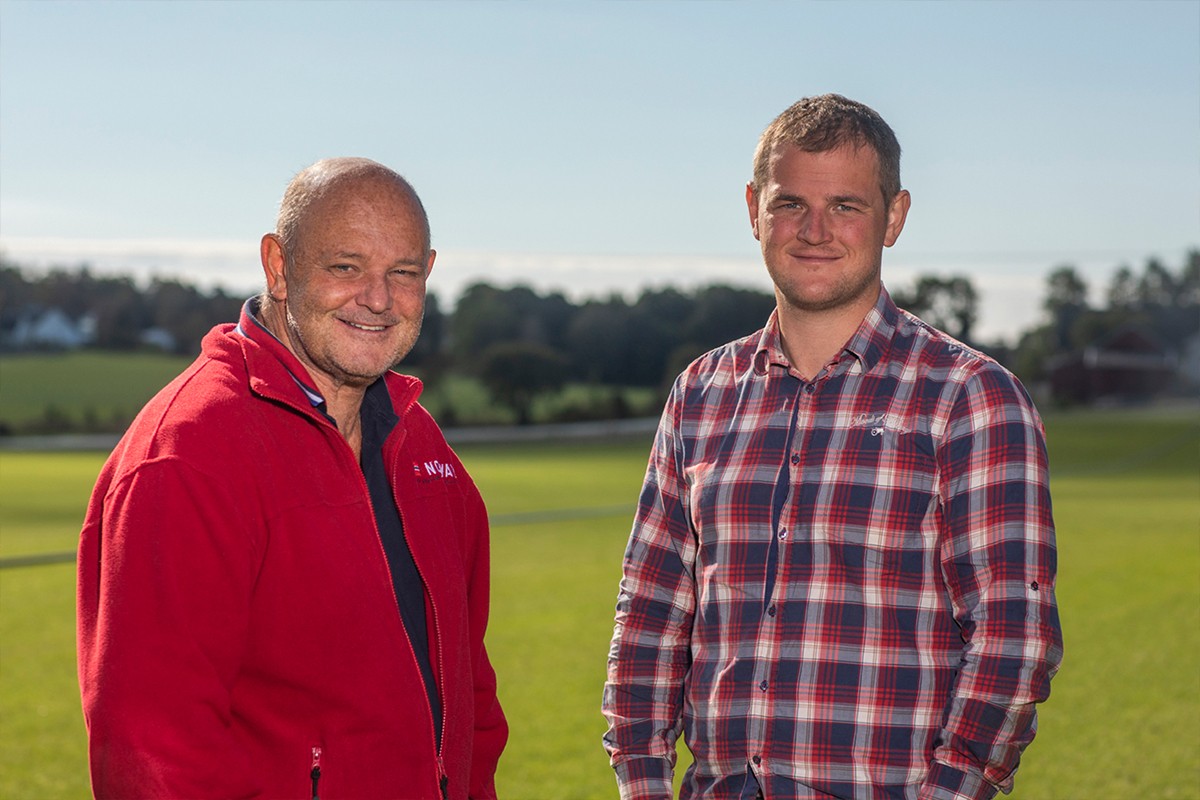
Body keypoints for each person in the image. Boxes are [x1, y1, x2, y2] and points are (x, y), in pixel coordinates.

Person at [602, 95, 1063, 800]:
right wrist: (642, 784)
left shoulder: (970, 396)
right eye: (790, 204)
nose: (814, 231)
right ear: (754, 209)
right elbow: (650, 612)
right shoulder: (701, 392)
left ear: (894, 217)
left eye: (846, 206)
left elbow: (1013, 636)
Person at [77, 158, 507, 799]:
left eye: (404, 272)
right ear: (278, 267)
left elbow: (470, 695)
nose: (378, 298)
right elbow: (151, 750)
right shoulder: (187, 454)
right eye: (346, 267)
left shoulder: (423, 449)